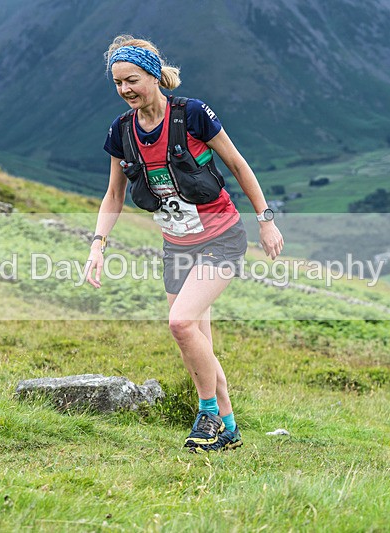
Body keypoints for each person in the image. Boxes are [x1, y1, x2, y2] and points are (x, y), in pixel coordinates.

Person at [85, 35, 284, 453]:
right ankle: (228, 430)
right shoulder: (121, 131)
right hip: (176, 246)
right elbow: (114, 195)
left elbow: (237, 164)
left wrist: (265, 221)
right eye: (118, 83)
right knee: (196, 340)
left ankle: (207, 412)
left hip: (222, 237)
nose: (125, 90)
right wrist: (97, 245)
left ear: (153, 76)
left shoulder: (191, 114)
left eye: (132, 80)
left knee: (180, 323)